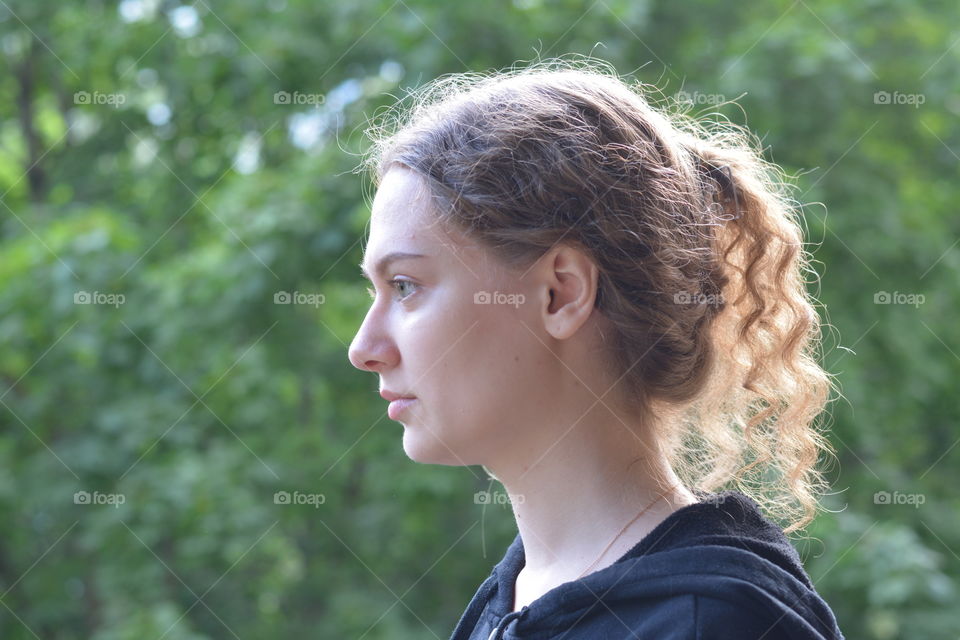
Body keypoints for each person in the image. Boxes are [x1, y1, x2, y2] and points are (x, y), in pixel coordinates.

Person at [348, 57, 844, 639]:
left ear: (561, 293)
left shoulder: (712, 624)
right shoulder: (509, 605)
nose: (364, 347)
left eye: (405, 287)